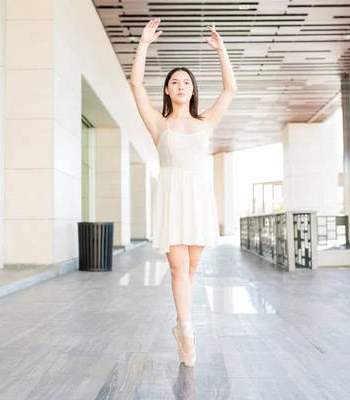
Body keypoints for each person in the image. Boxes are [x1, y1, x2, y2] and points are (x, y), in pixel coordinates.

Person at [129, 18, 236, 367]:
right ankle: (187, 330)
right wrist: (143, 44)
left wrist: (222, 51)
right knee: (178, 267)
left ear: (192, 90)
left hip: (199, 198)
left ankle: (180, 326)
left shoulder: (205, 122)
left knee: (191, 266)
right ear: (167, 91)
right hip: (173, 199)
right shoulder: (159, 124)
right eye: (174, 82)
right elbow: (135, 84)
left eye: (186, 82)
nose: (180, 85)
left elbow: (230, 89)